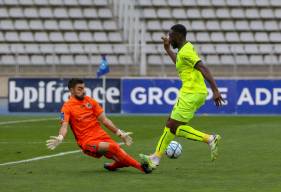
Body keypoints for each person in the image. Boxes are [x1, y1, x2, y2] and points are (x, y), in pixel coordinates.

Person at [140, 24, 224, 169]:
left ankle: (210, 139)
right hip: (192, 92)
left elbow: (203, 67)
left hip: (192, 92)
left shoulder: (186, 52)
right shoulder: (185, 50)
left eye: (171, 36)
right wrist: (167, 49)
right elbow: (180, 62)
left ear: (179, 36)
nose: (169, 38)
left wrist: (215, 90)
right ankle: (156, 157)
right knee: (171, 125)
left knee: (173, 126)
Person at [46, 78, 152, 174]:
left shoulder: (90, 101)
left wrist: (120, 133)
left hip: (101, 136)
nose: (83, 91)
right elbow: (64, 126)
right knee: (114, 148)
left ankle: (112, 166)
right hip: (87, 142)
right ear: (71, 90)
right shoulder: (67, 107)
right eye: (79, 88)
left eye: (83, 88)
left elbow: (105, 120)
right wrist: (60, 137)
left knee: (122, 156)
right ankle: (141, 167)